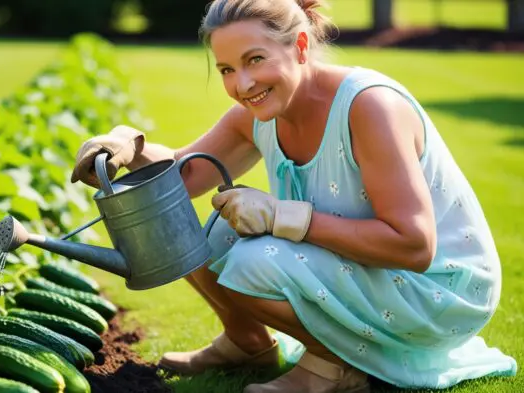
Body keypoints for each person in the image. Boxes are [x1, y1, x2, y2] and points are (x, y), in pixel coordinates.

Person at [70, 0, 518, 391]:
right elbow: (180, 178)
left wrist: (279, 216)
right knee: (190, 226)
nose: (242, 84)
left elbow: (414, 245)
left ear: (301, 46)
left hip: (438, 289)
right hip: (368, 268)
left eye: (255, 59)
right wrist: (129, 146)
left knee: (251, 262)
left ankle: (333, 367)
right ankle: (247, 344)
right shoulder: (259, 113)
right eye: (227, 69)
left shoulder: (370, 108)